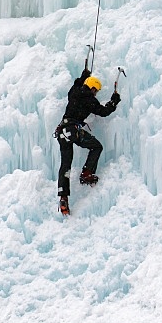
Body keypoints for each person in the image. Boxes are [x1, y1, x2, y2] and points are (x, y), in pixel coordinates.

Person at [56, 66, 121, 215]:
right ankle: (87, 173)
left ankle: (63, 197)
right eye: (95, 90)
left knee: (65, 165)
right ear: (92, 88)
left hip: (62, 132)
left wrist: (82, 76)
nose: (96, 93)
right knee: (96, 147)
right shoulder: (90, 100)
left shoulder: (75, 93)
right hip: (73, 130)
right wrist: (113, 101)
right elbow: (104, 112)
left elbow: (75, 85)